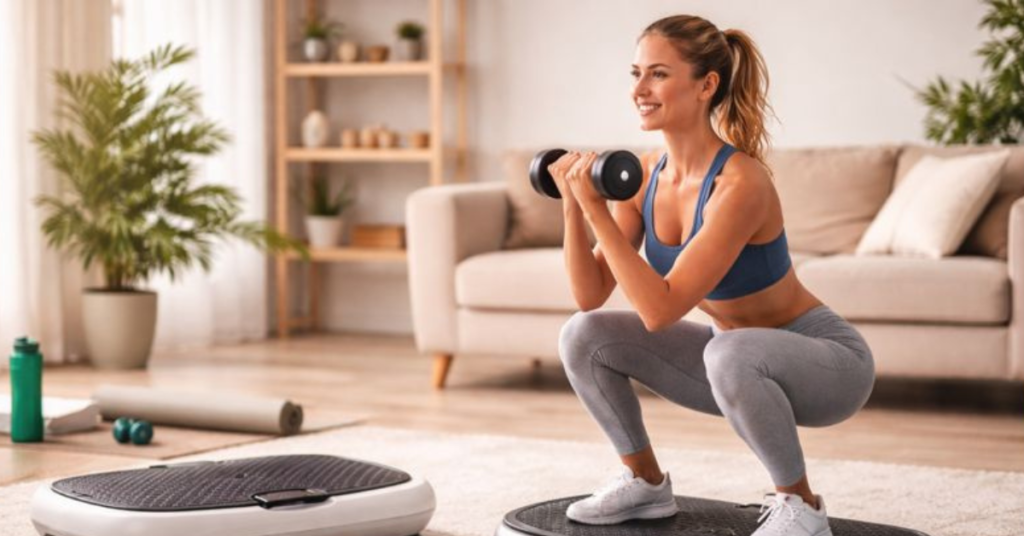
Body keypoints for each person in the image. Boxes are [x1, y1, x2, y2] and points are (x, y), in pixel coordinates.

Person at [549, 14, 875, 536]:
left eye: (657, 74)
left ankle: (801, 505)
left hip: (827, 365)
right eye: (635, 73)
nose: (639, 89)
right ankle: (645, 483)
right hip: (735, 363)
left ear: (706, 85)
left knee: (729, 348)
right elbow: (589, 296)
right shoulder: (646, 179)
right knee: (582, 335)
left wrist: (595, 210)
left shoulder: (741, 182)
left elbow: (660, 309)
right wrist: (573, 204)